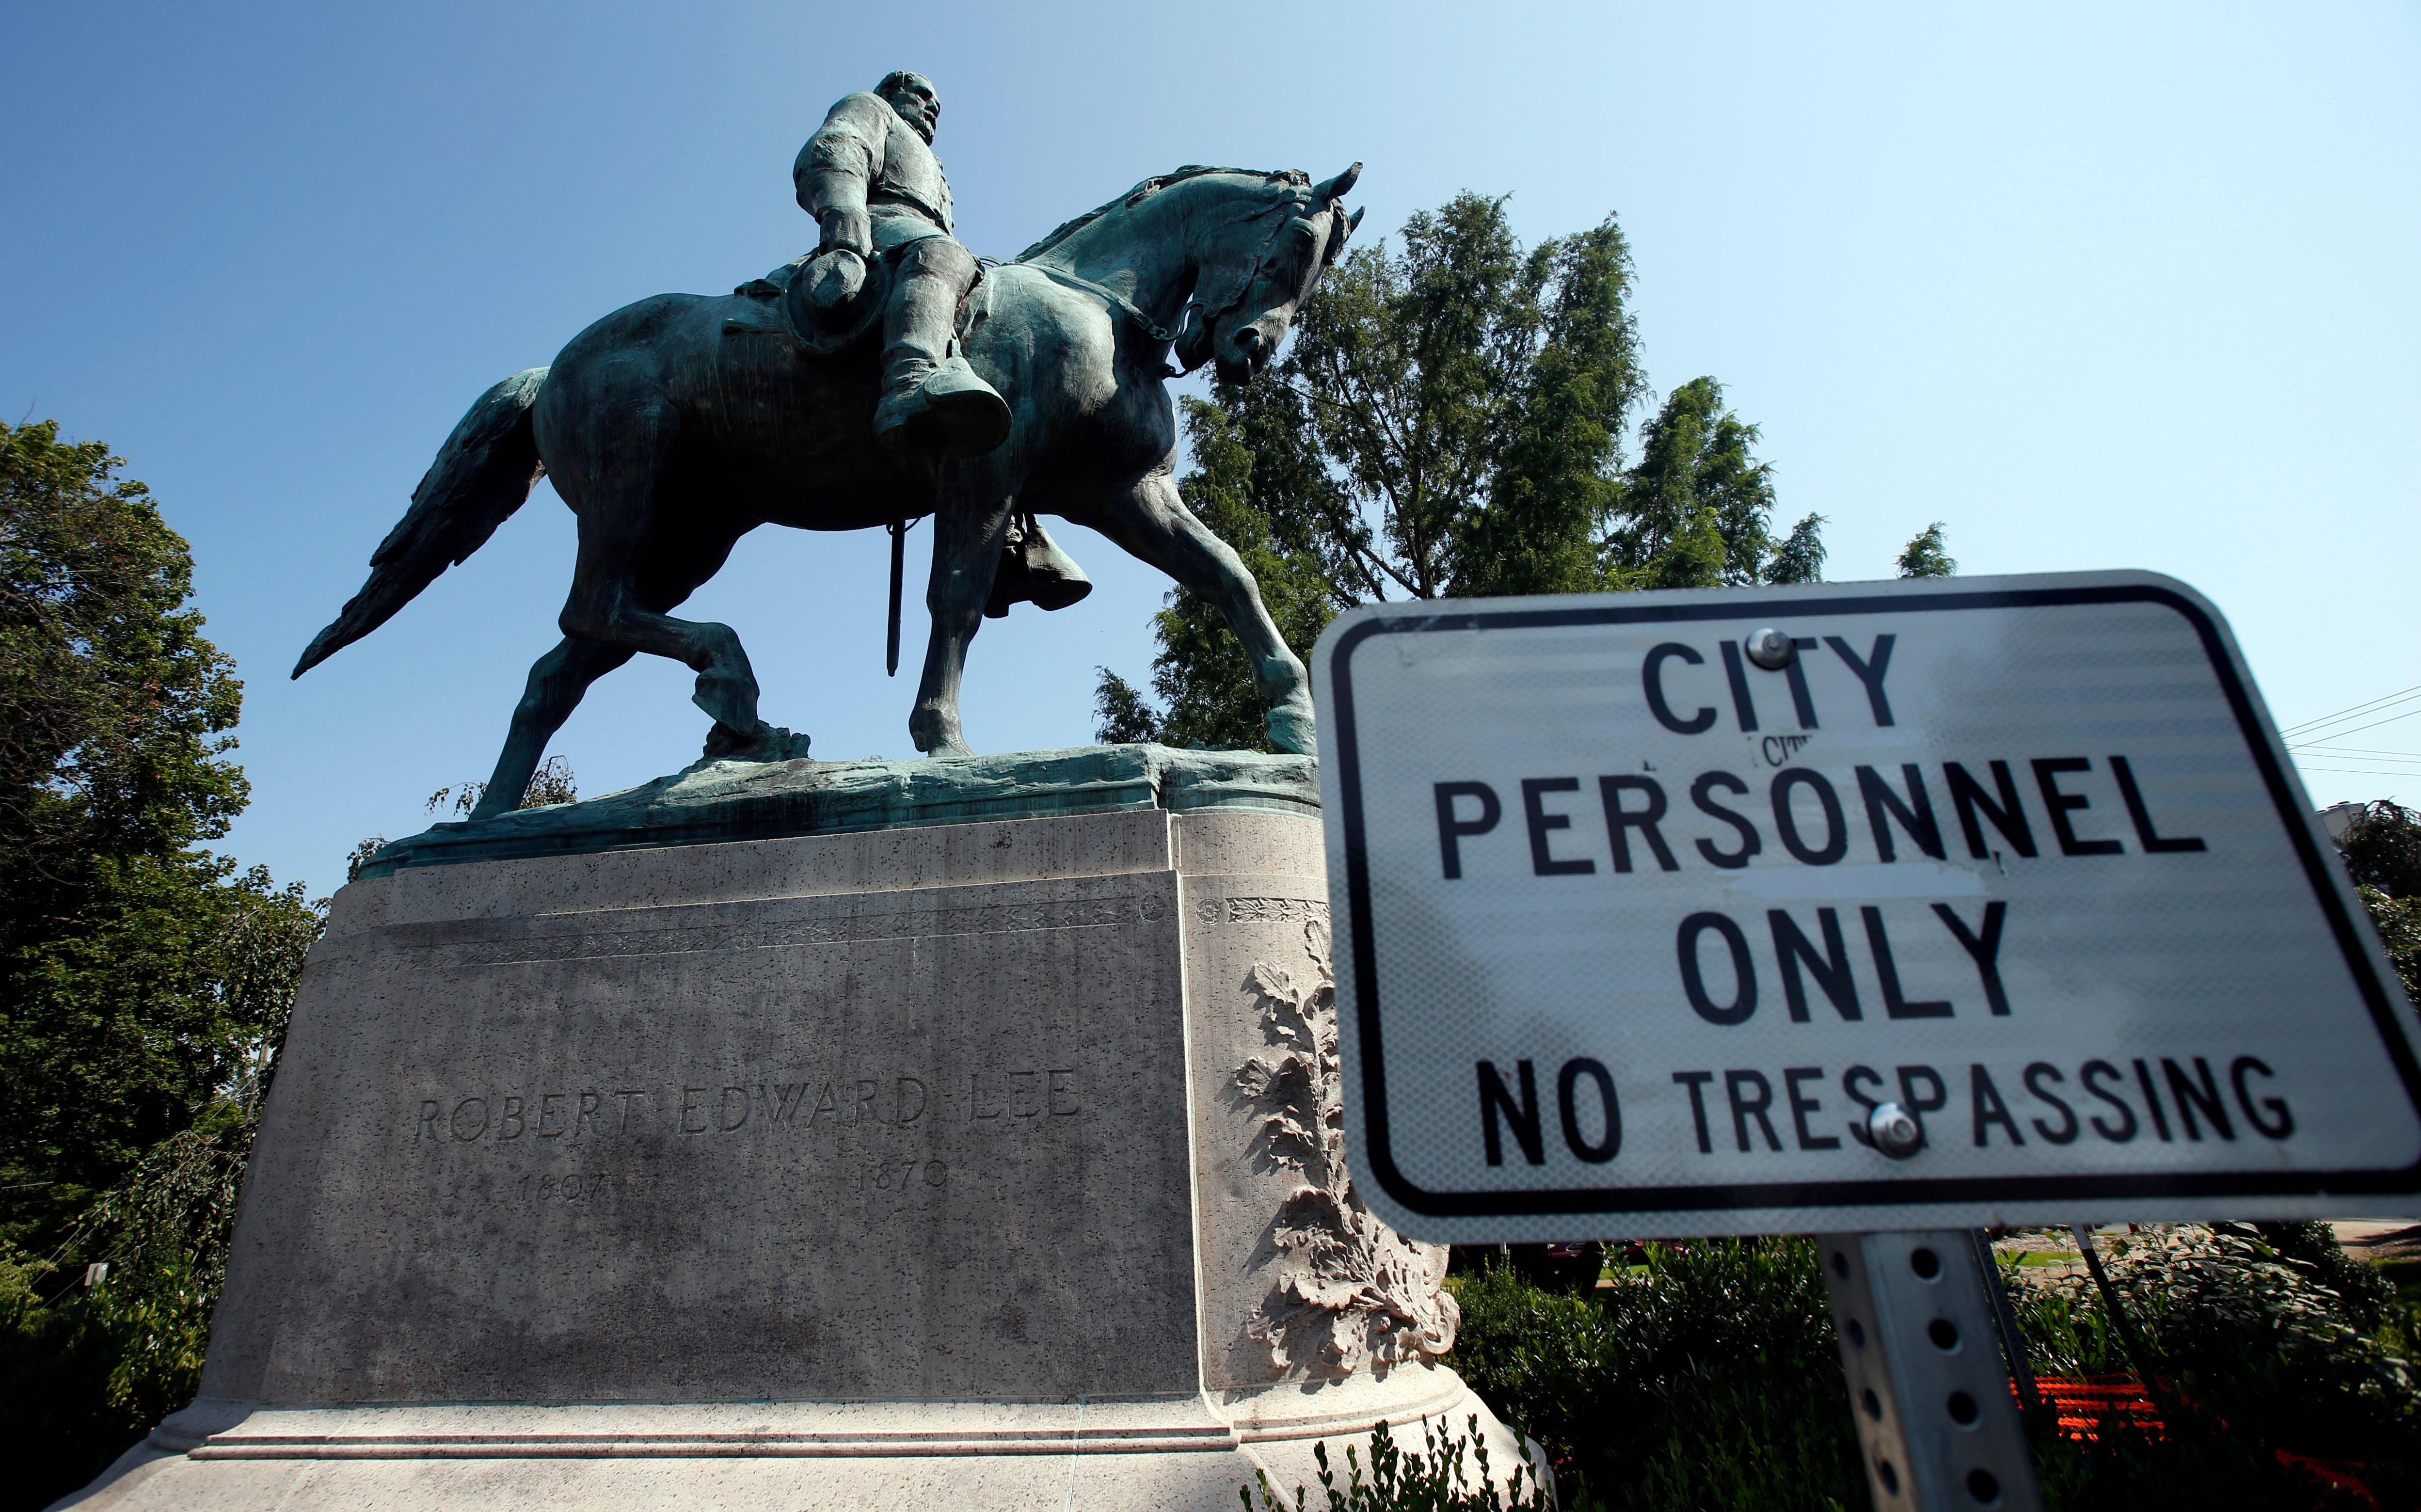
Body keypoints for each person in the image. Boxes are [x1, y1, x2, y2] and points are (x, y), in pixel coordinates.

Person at [795, 70, 1010, 460]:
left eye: (938, 108)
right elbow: (837, 146)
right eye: (923, 97)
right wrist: (843, 207)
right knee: (941, 253)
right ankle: (908, 382)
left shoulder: (935, 163)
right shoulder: (873, 108)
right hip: (883, 224)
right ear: (894, 92)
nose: (932, 109)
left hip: (920, 233)